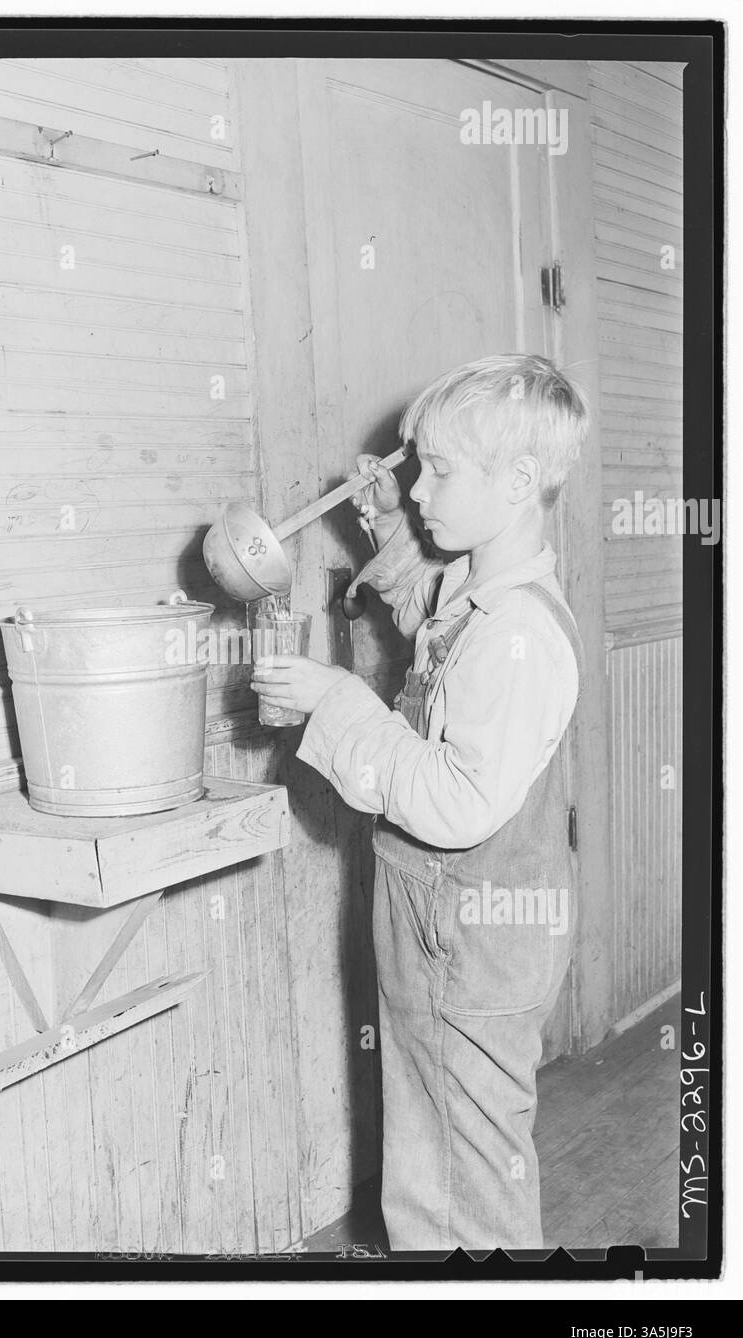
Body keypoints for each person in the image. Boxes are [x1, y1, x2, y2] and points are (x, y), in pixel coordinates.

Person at [251, 354, 589, 1251]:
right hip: (454, 935)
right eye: (417, 465)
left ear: (518, 483)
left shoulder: (517, 634)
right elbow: (425, 622)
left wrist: (336, 702)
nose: (417, 485)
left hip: (466, 942)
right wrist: (388, 525)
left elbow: (455, 801)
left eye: (438, 470)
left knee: (458, 1196)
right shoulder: (480, 597)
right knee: (437, 1164)